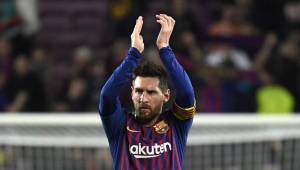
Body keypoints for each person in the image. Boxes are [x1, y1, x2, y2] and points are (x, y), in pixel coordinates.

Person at [99, 14, 196, 169]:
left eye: (151, 92)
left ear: (166, 95)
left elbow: (187, 94)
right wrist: (134, 54)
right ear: (131, 93)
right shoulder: (119, 125)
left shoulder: (176, 123)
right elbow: (107, 96)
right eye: (138, 91)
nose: (143, 98)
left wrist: (165, 49)